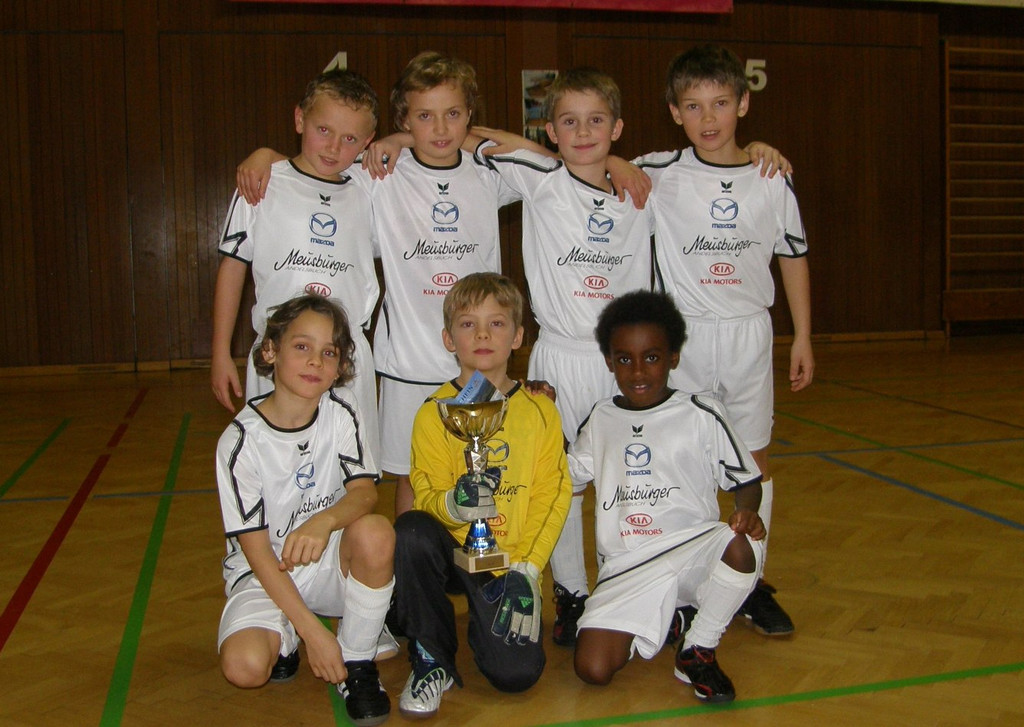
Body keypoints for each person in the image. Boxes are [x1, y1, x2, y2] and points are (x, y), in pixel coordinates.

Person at [234, 52, 522, 518]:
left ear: (470, 114)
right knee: (412, 473)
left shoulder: (489, 172)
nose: (440, 128)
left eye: (453, 114)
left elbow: (554, 161)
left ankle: (478, 556)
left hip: (481, 358)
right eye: (423, 117)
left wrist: (411, 135)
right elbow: (310, 172)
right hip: (407, 360)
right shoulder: (381, 174)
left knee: (483, 469)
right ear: (404, 117)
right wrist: (264, 155)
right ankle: (411, 561)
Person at [469, 68, 656, 647]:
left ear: (617, 127)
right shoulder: (539, 178)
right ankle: (572, 593)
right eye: (568, 122)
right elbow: (459, 135)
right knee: (562, 483)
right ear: (549, 130)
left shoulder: (643, 188)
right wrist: (400, 138)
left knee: (630, 478)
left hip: (623, 360)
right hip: (559, 355)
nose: (583, 132)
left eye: (596, 121)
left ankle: (625, 585)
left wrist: (620, 164)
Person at [633, 44, 813, 636]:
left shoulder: (771, 177)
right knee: (680, 462)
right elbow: (577, 157)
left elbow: (793, 257)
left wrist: (803, 336)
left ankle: (750, 582)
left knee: (752, 462)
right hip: (683, 339)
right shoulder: (657, 171)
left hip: (748, 336)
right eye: (693, 106)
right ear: (674, 112)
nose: (708, 118)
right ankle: (687, 586)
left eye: (720, 103)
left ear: (743, 104)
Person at [568, 290, 765, 704]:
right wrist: (536, 411)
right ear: (609, 362)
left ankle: (698, 648)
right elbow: (563, 475)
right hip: (628, 565)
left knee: (740, 545)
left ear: (674, 357)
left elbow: (747, 481)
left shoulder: (702, 411)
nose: (638, 371)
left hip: (692, 549)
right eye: (624, 359)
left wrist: (747, 512)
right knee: (593, 670)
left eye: (652, 357)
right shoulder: (601, 418)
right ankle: (672, 616)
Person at [389, 272, 571, 720]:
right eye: (469, 324)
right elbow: (425, 492)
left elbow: (553, 494)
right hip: (456, 550)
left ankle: (484, 617)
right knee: (411, 530)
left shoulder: (541, 411)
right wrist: (454, 505)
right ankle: (431, 657)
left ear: (518, 337)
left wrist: (528, 568)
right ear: (449, 339)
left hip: (511, 560)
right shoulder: (432, 414)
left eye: (497, 323)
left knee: (516, 675)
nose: (483, 334)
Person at [215, 294, 394, 726]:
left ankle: (356, 660)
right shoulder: (240, 442)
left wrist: (324, 521)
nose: (315, 361)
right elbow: (258, 553)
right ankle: (289, 633)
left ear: (340, 366)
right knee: (244, 668)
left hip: (325, 561)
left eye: (328, 352)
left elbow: (365, 494)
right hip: (264, 571)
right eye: (302, 346)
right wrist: (313, 632)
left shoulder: (342, 412)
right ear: (270, 351)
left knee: (376, 532)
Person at [211, 67, 382, 462]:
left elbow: (422, 148)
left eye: (350, 139)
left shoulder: (370, 188)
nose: (334, 147)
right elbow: (233, 268)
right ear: (299, 119)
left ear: (367, 141)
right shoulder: (261, 182)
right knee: (276, 470)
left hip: (347, 357)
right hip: (278, 354)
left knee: (350, 474)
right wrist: (220, 352)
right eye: (323, 130)